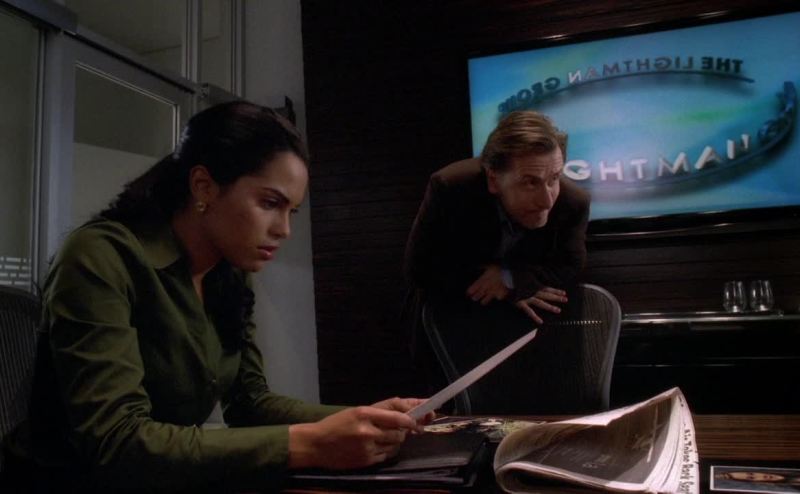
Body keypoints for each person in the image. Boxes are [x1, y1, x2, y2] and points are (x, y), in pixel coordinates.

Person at [3, 101, 431, 493]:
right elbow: (118, 443)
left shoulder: (228, 272)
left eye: (291, 211)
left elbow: (250, 402)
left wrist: (364, 420)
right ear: (204, 186)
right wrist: (309, 443)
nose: (284, 230)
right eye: (270, 203)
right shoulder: (99, 257)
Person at [403, 110, 590, 400]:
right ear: (493, 179)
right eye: (530, 182)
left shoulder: (573, 201)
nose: (547, 200)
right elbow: (419, 267)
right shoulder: (451, 187)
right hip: (450, 319)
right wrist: (489, 280)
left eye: (554, 178)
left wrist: (510, 279)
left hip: (524, 331)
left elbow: (571, 264)